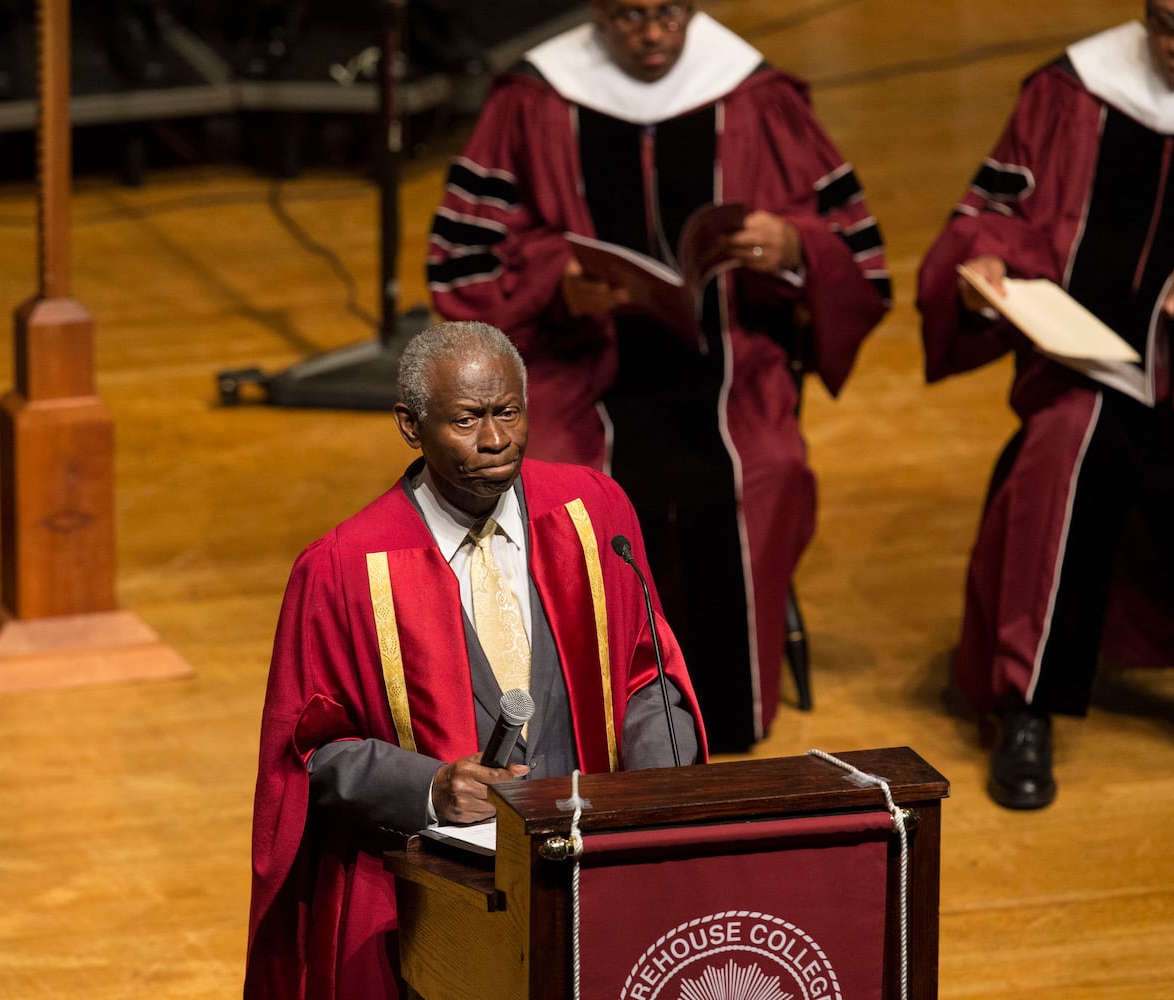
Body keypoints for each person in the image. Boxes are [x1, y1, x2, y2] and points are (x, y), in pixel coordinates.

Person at [425, 0, 890, 752]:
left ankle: (727, 721)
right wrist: (558, 285)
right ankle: (582, 711)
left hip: (731, 363)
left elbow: (854, 249)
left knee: (764, 469)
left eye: (670, 13)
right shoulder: (536, 99)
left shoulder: (753, 94)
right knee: (567, 487)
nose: (652, 34)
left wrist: (794, 246)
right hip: (580, 364)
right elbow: (465, 260)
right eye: (631, 15)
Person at [242, 321, 706, 999]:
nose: (495, 441)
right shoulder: (343, 569)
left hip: (597, 876)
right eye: (466, 419)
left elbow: (648, 673)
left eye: (507, 413)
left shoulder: (591, 509)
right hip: (436, 895)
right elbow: (307, 756)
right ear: (410, 424)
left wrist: (654, 787)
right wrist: (429, 787)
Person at [917, 0, 1174, 810]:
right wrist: (988, 264)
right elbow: (993, 213)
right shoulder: (1074, 90)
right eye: (1165, 20)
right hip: (1083, 355)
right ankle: (1026, 705)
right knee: (1068, 446)